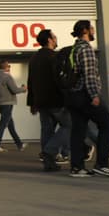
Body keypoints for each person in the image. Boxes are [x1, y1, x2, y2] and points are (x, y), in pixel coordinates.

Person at [65, 19, 109, 178]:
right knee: (106, 125)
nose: (94, 31)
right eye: (92, 29)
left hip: (73, 95)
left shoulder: (73, 49)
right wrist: (94, 95)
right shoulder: (86, 49)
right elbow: (89, 75)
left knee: (78, 131)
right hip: (85, 95)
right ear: (85, 31)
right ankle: (102, 164)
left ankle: (77, 167)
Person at [27, 28, 70, 171]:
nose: (56, 39)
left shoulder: (34, 58)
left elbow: (30, 81)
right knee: (70, 125)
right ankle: (49, 151)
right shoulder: (54, 57)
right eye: (54, 37)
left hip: (41, 101)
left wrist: (32, 102)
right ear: (50, 40)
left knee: (47, 130)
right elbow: (59, 79)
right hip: (56, 100)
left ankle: (48, 163)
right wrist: (67, 97)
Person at [0, 60, 26, 151]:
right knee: (3, 124)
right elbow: (15, 90)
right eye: (9, 66)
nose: (9, 68)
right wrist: (23, 88)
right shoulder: (7, 77)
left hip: (0, 103)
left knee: (10, 124)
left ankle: (19, 144)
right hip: (8, 103)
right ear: (6, 67)